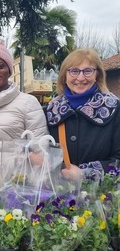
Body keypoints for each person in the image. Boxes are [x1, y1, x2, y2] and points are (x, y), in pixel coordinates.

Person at [45, 48, 120, 181]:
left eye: (88, 71)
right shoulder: (51, 110)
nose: (80, 78)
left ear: (97, 74)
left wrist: (85, 174)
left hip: (102, 198)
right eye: (74, 71)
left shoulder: (114, 109)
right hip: (59, 196)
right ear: (64, 76)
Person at [0, 40, 48, 165]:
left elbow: (40, 150)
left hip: (16, 181)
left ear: (9, 70)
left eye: (0, 66)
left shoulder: (28, 103)